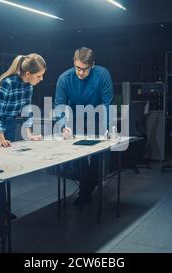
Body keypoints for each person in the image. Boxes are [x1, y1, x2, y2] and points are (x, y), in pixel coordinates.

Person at [0, 53, 46, 219]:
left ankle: (0, 206)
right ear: (28, 74)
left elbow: (27, 111)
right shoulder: (7, 83)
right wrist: (1, 138)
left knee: (7, 165)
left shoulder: (29, 86)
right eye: (39, 76)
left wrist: (29, 133)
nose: (41, 79)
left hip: (9, 122)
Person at [54, 47, 113, 206]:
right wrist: (62, 126)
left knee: (97, 157)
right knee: (79, 159)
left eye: (85, 69)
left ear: (92, 65)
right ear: (74, 62)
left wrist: (106, 126)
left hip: (97, 118)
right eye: (78, 68)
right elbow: (59, 105)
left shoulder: (102, 74)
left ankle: (87, 190)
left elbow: (107, 103)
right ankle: (85, 192)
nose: (81, 73)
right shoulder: (64, 79)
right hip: (75, 121)